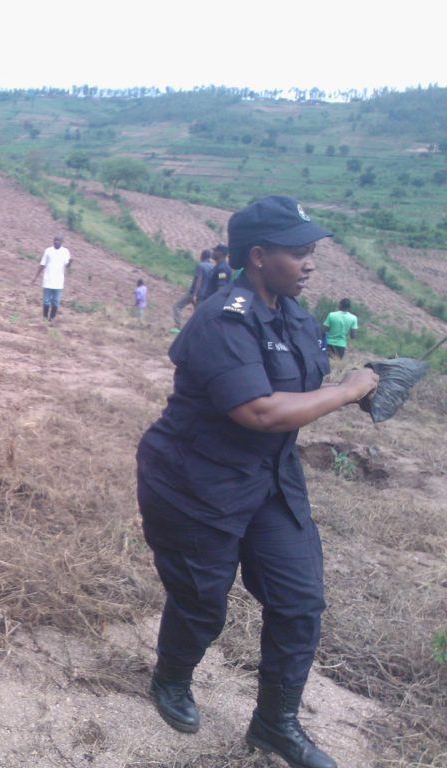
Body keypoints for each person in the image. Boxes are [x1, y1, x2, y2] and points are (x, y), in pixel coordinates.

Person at [137, 196, 379, 768]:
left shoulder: (296, 316)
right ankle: (171, 679)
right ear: (259, 255)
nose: (310, 263)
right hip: (198, 479)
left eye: (312, 252)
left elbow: (300, 391)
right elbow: (260, 412)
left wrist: (369, 387)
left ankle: (275, 724)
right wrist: (346, 390)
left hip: (269, 478)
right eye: (299, 253)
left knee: (300, 600)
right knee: (202, 601)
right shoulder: (223, 316)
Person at [172, 249, 214, 332]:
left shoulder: (200, 266)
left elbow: (199, 280)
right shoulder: (212, 267)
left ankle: (177, 327)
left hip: (194, 292)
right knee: (198, 313)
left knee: (177, 306)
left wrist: (194, 295)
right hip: (205, 295)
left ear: (202, 256)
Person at [33, 236, 72, 322]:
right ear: (53, 241)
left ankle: (53, 318)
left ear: (62, 242)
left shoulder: (65, 252)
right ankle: (45, 317)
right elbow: (42, 264)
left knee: (56, 301)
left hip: (58, 281)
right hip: (47, 280)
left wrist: (70, 263)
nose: (57, 242)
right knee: (46, 301)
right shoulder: (48, 251)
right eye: (55, 240)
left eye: (59, 241)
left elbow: (67, 265)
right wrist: (36, 277)